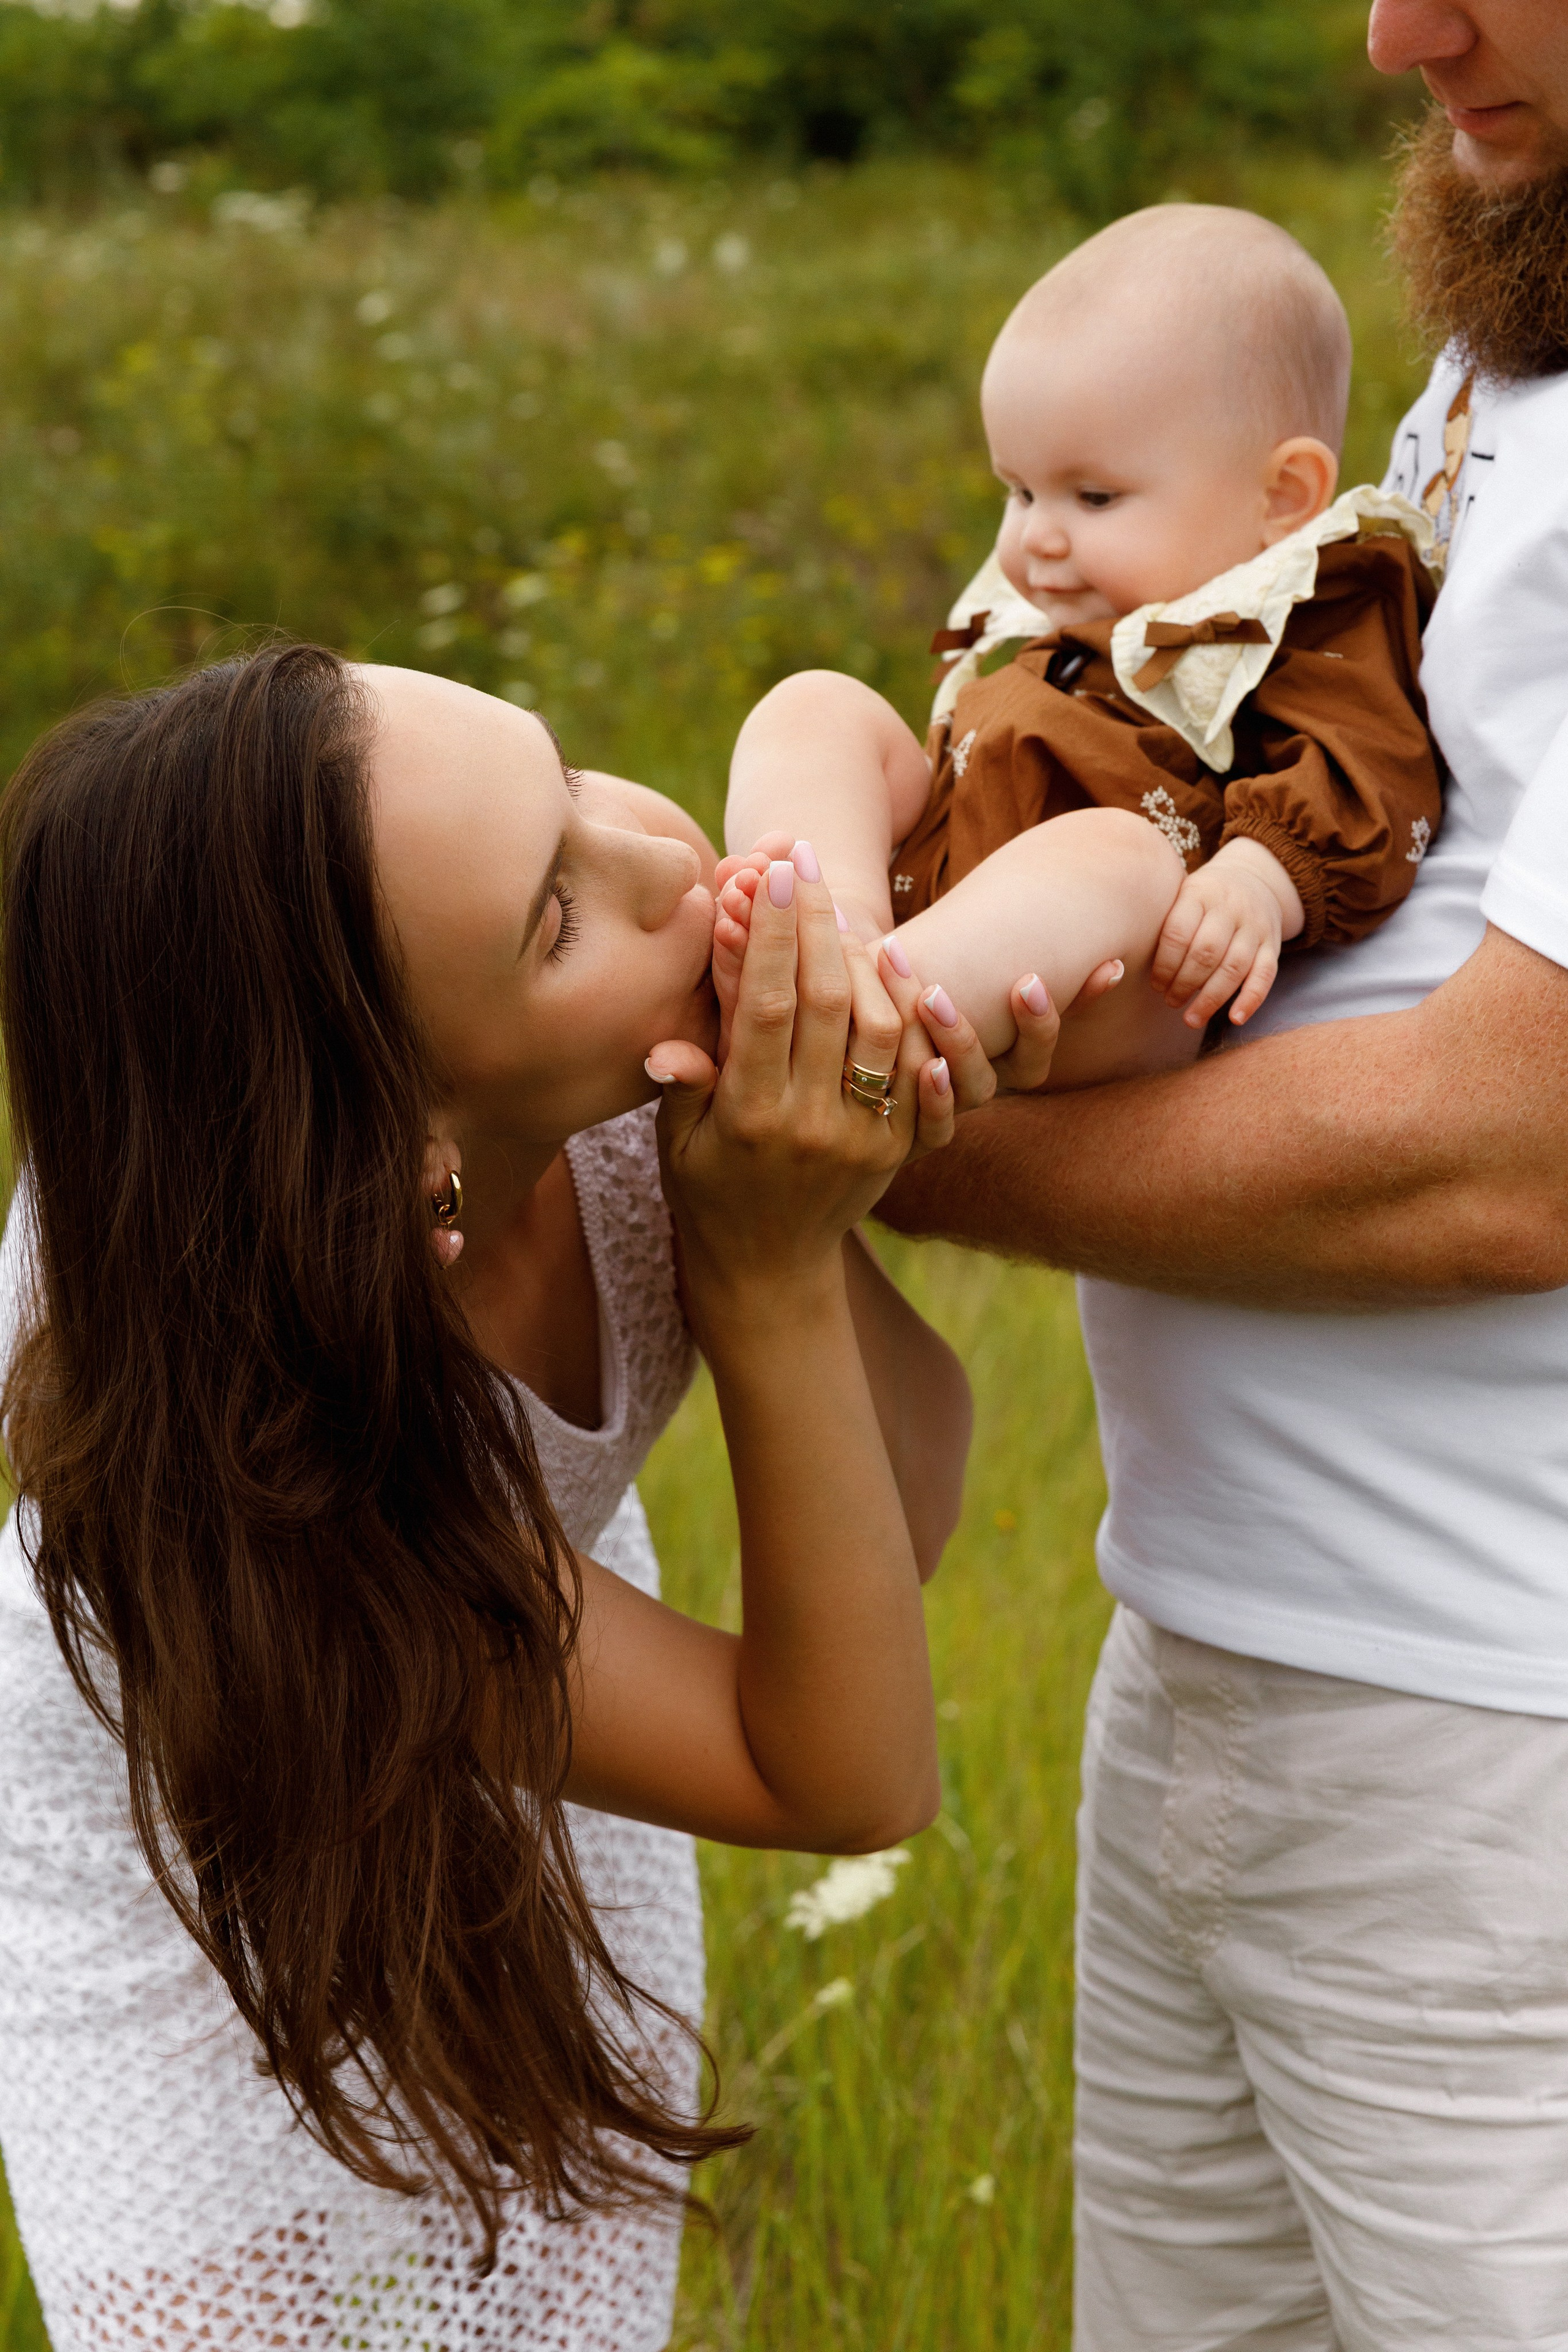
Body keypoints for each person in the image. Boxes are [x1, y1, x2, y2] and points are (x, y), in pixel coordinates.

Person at [0, 646, 1052, 2352]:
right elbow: (848, 1777)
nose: (660, 865)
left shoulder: (601, 1065)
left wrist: (787, 1220)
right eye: (554, 912)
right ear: (411, 1142)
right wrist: (767, 1282)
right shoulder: (273, 1450)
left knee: (559, 2297)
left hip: (510, 1654)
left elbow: (909, 1502)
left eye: (569, 783)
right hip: (213, 1796)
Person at [870, 3, 1568, 2343]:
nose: (1404, 30)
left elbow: (1516, 1161)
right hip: (1223, 1641)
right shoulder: (1507, 352)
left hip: (1484, 1731)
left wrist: (882, 1153)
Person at [720, 205, 1442, 1084]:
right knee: (817, 705)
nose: (1036, 539)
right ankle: (833, 937)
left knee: (1120, 854)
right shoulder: (1094, 594)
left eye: (1092, 498)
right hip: (951, 884)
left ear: (1282, 497)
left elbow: (1372, 760)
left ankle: (867, 1020)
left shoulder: (1310, 607)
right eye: (1018, 493)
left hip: (1122, 969)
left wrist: (1257, 881)